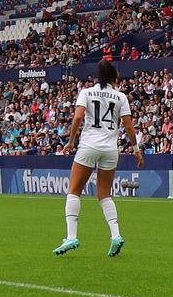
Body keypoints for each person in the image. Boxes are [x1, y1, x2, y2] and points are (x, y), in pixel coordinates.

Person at [53, 61, 141, 257]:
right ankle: (116, 236)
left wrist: (70, 141)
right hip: (110, 149)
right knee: (104, 194)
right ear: (113, 77)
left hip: (89, 146)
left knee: (74, 191)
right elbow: (128, 125)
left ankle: (71, 236)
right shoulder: (121, 96)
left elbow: (77, 117)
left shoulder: (86, 92)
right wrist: (136, 150)